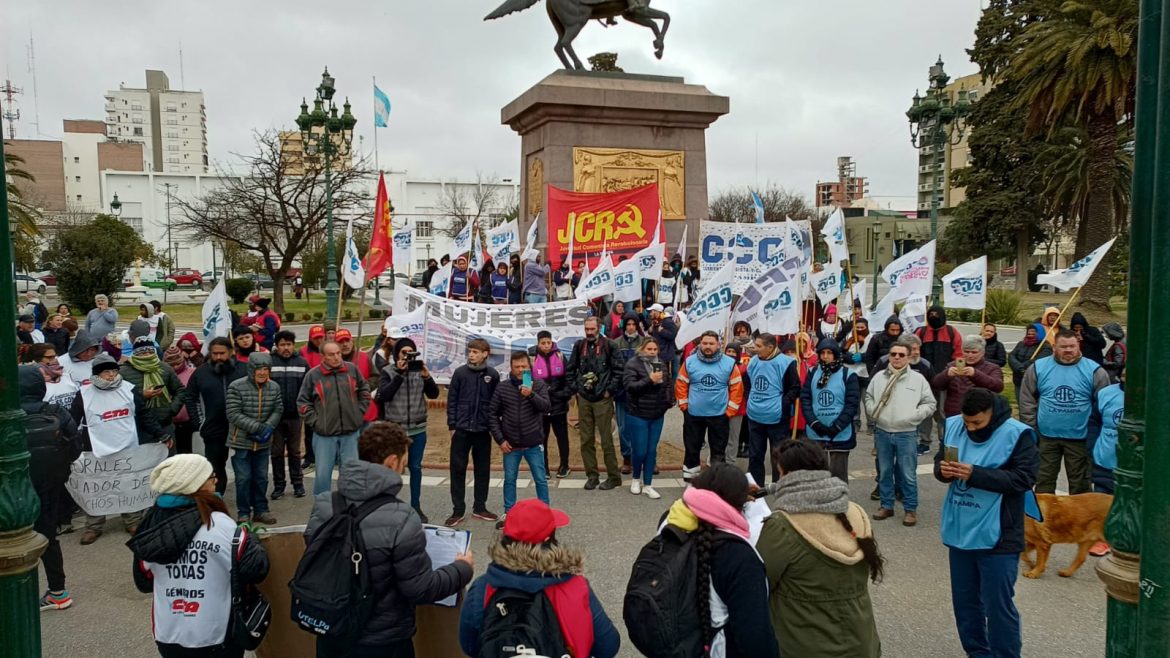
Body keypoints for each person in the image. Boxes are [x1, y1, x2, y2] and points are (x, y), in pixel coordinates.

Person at [306, 422, 473, 656]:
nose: (404, 466)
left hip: (331, 631)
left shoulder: (324, 504)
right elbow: (420, 588)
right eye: (404, 461)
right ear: (392, 462)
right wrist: (461, 569)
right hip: (383, 640)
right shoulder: (402, 517)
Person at [129, 454, 270, 658]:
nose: (217, 480)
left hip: (168, 633)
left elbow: (143, 581)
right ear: (195, 483)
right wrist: (251, 538)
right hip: (214, 633)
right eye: (211, 477)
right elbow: (256, 569)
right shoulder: (220, 524)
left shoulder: (149, 527)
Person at [934, 388, 1038, 658]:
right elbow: (939, 462)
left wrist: (975, 474)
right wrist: (943, 471)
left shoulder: (1018, 434)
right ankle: (977, 653)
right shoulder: (955, 423)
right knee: (966, 605)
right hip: (960, 529)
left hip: (1000, 534)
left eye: (977, 423)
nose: (970, 428)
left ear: (992, 414)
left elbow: (1023, 479)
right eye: (967, 422)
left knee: (998, 607)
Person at [757, 440, 882, 657]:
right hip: (861, 640)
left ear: (787, 475)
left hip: (803, 644)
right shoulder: (856, 514)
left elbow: (760, 582)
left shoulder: (783, 525)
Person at [459, 499, 621, 658]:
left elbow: (469, 646)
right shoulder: (576, 586)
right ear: (548, 540)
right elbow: (608, 646)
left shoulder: (483, 587)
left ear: (505, 537)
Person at [662, 463, 782, 657]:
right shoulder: (739, 557)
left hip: (674, 641)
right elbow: (756, 638)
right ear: (741, 502)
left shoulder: (670, 521)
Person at [72, 354, 169, 544]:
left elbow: (144, 415)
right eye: (107, 372)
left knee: (128, 485)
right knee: (97, 487)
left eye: (114, 371)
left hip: (128, 447)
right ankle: (94, 526)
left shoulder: (129, 390)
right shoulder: (83, 394)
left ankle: (133, 521)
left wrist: (161, 433)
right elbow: (73, 419)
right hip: (96, 448)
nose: (111, 375)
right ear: (97, 374)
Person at [19, 364, 81, 611]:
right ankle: (57, 591)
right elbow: (75, 446)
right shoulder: (57, 411)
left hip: (16, 488)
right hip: (51, 483)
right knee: (48, 536)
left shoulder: (8, 414)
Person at [1019, 329, 1111, 495]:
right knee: (1043, 482)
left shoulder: (1095, 371)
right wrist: (1031, 428)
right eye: (1063, 346)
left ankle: (1079, 520)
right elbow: (1027, 400)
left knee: (1080, 485)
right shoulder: (1038, 368)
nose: (1068, 350)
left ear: (1078, 345)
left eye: (1072, 346)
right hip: (1047, 436)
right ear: (1054, 347)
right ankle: (1044, 519)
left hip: (1079, 437)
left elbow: (1103, 406)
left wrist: (1095, 435)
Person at [864, 337, 936, 527]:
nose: (896, 358)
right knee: (885, 471)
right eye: (893, 354)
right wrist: (873, 412)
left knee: (908, 473)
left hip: (907, 433)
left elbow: (930, 403)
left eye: (901, 355)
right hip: (883, 431)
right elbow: (869, 397)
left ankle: (910, 509)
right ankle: (886, 505)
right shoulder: (879, 377)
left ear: (908, 357)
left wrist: (914, 415)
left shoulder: (918, 379)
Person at [298, 340, 373, 495]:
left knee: (351, 475)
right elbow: (302, 403)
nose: (337, 357)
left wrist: (358, 413)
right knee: (323, 476)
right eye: (331, 355)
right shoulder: (313, 375)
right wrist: (316, 422)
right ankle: (322, 510)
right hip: (324, 435)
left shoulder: (352, 370)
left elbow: (365, 391)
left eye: (338, 353)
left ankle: (349, 508)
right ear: (322, 356)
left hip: (351, 433)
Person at [378, 337, 440, 521]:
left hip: (417, 428)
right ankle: (389, 505)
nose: (407, 356)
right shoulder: (388, 371)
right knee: (391, 469)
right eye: (404, 352)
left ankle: (416, 505)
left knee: (415, 467)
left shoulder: (418, 370)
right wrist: (399, 373)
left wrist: (427, 376)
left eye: (410, 352)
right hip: (395, 429)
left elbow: (434, 394)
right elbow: (383, 396)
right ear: (397, 353)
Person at [489, 351, 553, 520]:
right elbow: (492, 414)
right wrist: (500, 439)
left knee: (540, 479)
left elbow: (546, 407)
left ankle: (545, 512)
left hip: (533, 443)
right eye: (516, 366)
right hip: (510, 445)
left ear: (529, 367)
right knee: (510, 479)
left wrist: (530, 394)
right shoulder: (502, 387)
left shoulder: (538, 384)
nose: (519, 370)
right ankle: (509, 512)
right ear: (511, 367)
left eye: (523, 366)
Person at [444, 338, 501, 527]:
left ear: (485, 354)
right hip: (461, 430)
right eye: (470, 351)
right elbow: (451, 400)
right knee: (457, 470)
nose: (471, 355)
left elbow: (495, 405)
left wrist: (493, 428)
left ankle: (480, 507)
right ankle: (457, 510)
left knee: (482, 470)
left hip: (482, 431)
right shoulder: (460, 373)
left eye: (476, 352)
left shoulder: (492, 375)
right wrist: (452, 425)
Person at [677, 331, 745, 482]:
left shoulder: (729, 363)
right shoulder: (689, 362)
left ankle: (716, 483)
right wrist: (684, 406)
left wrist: (730, 411)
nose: (708, 346)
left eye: (711, 343)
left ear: (719, 344)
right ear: (700, 344)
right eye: (705, 343)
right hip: (694, 414)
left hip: (719, 415)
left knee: (718, 453)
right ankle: (691, 482)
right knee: (692, 450)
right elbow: (681, 383)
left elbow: (737, 388)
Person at [567, 316, 624, 490]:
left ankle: (614, 476)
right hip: (584, 398)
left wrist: (609, 390)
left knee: (606, 440)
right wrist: (576, 388)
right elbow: (570, 369)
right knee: (586, 440)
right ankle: (592, 475)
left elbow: (619, 370)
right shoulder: (579, 346)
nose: (589, 332)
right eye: (587, 329)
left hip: (603, 399)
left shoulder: (610, 345)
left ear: (599, 328)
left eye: (592, 329)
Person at [225, 351, 282, 524]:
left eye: (266, 369)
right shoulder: (236, 386)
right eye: (259, 369)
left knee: (262, 478)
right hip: (241, 441)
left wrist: (269, 427)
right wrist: (257, 427)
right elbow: (233, 413)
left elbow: (278, 409)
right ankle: (243, 512)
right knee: (243, 479)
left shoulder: (274, 387)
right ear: (251, 369)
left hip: (263, 444)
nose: (263, 372)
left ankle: (261, 510)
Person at [801, 338, 861, 482]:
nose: (825, 356)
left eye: (829, 353)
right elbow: (806, 399)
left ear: (836, 354)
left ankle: (838, 503)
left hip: (840, 433)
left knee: (838, 477)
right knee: (816, 475)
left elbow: (851, 404)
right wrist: (814, 423)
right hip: (816, 430)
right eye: (822, 353)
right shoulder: (813, 372)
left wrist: (838, 426)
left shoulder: (848, 374)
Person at [745, 332, 800, 486]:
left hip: (777, 417)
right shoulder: (753, 362)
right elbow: (748, 384)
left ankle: (779, 486)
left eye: (758, 346)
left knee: (778, 455)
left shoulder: (786, 363)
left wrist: (782, 403)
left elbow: (795, 388)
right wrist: (750, 399)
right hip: (755, 415)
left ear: (770, 347)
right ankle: (756, 487)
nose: (755, 349)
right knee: (755, 455)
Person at [622, 338, 671, 499]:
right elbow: (630, 387)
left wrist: (668, 401)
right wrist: (649, 380)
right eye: (649, 349)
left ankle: (648, 484)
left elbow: (668, 384)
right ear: (642, 349)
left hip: (657, 414)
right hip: (638, 413)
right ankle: (636, 478)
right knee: (640, 450)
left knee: (651, 450)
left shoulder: (661, 364)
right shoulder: (633, 364)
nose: (652, 352)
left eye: (654, 349)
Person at [121, 335, 186, 441]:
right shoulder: (124, 372)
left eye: (150, 351)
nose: (147, 355)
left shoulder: (165, 368)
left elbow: (180, 390)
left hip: (164, 424)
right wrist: (143, 396)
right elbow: (121, 398)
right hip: (139, 426)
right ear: (135, 353)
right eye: (142, 352)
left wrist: (171, 410)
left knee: (169, 456)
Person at [915, 305, 961, 453]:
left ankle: (945, 441)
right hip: (924, 381)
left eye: (937, 314)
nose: (934, 317)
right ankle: (924, 441)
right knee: (924, 413)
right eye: (931, 314)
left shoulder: (952, 332)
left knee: (942, 413)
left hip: (945, 381)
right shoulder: (920, 332)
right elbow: (914, 353)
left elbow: (959, 354)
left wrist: (954, 374)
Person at [1088, 371, 1124, 557]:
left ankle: (1129, 540)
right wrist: (1093, 446)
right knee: (1101, 501)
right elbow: (1094, 421)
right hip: (1105, 457)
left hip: (1135, 463)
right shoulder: (1106, 393)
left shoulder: (1154, 395)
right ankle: (1101, 539)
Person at [528, 331, 573, 479]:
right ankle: (544, 467)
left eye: (548, 342)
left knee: (562, 437)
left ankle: (564, 465)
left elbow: (568, 378)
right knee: (542, 439)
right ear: (538, 343)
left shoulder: (560, 356)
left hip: (559, 405)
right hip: (540, 406)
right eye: (543, 343)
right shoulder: (531, 358)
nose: (546, 346)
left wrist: (564, 394)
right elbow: (527, 380)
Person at [269, 330, 308, 499]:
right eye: (282, 345)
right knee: (276, 452)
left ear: (294, 345)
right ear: (276, 346)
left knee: (295, 452)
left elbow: (308, 388)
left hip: (295, 416)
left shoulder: (302, 363)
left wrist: (303, 408)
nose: (286, 348)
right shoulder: (269, 363)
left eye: (289, 344)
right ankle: (279, 485)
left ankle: (298, 484)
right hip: (274, 417)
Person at [932, 336, 1005, 418]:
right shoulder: (952, 365)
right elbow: (936, 385)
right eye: (967, 352)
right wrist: (946, 375)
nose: (970, 355)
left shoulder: (992, 368)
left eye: (974, 352)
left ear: (982, 352)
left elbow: (998, 386)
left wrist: (976, 374)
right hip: (953, 414)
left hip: (980, 414)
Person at [611, 313, 643, 473]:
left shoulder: (645, 342)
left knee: (642, 426)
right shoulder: (616, 343)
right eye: (628, 324)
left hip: (641, 392)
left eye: (634, 324)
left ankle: (646, 457)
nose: (631, 327)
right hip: (622, 393)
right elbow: (614, 367)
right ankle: (627, 458)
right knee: (624, 427)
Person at [162, 346, 199, 455]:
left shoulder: (193, 373)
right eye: (171, 365)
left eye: (177, 364)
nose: (175, 367)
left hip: (189, 421)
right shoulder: (162, 374)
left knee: (188, 453)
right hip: (169, 422)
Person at [1008, 324, 1052, 403]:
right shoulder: (1021, 344)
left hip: (1034, 382)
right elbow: (1011, 356)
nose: (1030, 335)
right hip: (1019, 380)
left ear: (1040, 333)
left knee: (1032, 405)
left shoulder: (1046, 347)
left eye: (1033, 333)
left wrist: (1023, 367)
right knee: (1021, 404)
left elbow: (1038, 361)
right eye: (1029, 333)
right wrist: (1019, 368)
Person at [646, 303, 678, 379]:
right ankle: (658, 388)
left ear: (657, 312)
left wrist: (663, 331)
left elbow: (674, 334)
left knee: (665, 376)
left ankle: (666, 389)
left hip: (665, 356)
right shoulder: (656, 321)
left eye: (651, 311)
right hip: (657, 354)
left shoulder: (667, 321)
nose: (650, 313)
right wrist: (650, 331)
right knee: (657, 375)